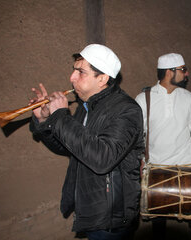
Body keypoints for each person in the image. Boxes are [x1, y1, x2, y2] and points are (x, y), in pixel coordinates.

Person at [29, 44, 144, 240]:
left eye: (80, 72)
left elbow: (102, 159)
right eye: (74, 70)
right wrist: (45, 120)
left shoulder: (127, 110)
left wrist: (60, 117)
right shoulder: (86, 106)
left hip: (110, 215)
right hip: (89, 205)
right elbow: (69, 146)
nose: (71, 77)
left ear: (103, 78)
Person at [135, 53, 191, 240]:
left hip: (185, 166)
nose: (186, 74)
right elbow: (138, 134)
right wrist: (140, 159)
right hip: (156, 166)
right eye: (183, 70)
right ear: (170, 72)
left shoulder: (189, 98)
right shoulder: (143, 99)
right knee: (158, 223)